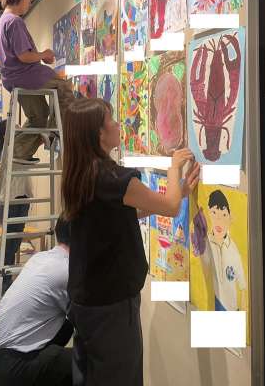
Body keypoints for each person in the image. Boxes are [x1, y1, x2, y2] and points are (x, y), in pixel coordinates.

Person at [62, 98, 200, 386]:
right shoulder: (115, 179)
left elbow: (126, 212)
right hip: (111, 305)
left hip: (86, 300)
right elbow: (171, 207)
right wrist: (174, 167)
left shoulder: (81, 173)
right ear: (99, 133)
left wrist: (177, 192)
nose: (118, 124)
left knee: (91, 376)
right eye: (111, 119)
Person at [0, 217, 73, 386]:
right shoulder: (67, 270)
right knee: (90, 362)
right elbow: (88, 321)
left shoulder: (41, 257)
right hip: (12, 365)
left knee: (66, 326)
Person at [0, 0, 75, 163]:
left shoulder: (3, 21)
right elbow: (24, 56)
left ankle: (17, 152)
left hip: (12, 78)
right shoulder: (14, 21)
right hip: (25, 75)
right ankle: (58, 132)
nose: (29, 3)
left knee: (38, 116)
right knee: (64, 87)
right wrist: (44, 55)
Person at [0, 119, 31, 304]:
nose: (20, 130)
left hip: (22, 197)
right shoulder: (9, 149)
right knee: (8, 246)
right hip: (11, 200)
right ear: (6, 134)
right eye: (16, 128)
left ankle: (2, 284)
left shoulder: (17, 148)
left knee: (13, 245)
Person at [192, 189, 247, 311]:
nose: (219, 220)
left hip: (232, 310)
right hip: (214, 303)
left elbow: (243, 287)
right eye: (214, 213)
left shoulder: (233, 249)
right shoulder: (206, 242)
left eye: (224, 215)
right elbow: (204, 270)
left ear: (230, 218)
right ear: (208, 213)